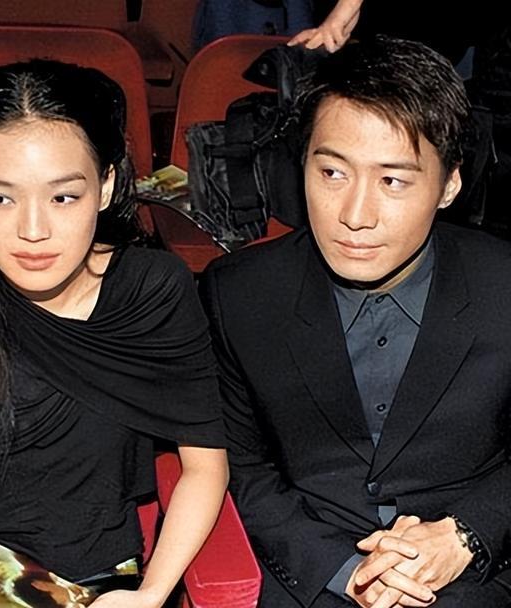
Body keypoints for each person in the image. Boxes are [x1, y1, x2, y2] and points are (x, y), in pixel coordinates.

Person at [0, 59, 228, 608]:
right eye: (0, 198)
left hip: (89, 586)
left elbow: (205, 466)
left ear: (106, 186)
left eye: (63, 197)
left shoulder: (152, 290)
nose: (32, 230)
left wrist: (152, 592)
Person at [200, 35, 511, 607]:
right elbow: (243, 469)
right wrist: (348, 572)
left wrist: (466, 535)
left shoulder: (503, 285)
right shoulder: (239, 293)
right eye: (332, 173)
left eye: (392, 181)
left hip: (480, 570)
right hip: (313, 574)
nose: (355, 215)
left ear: (449, 184)